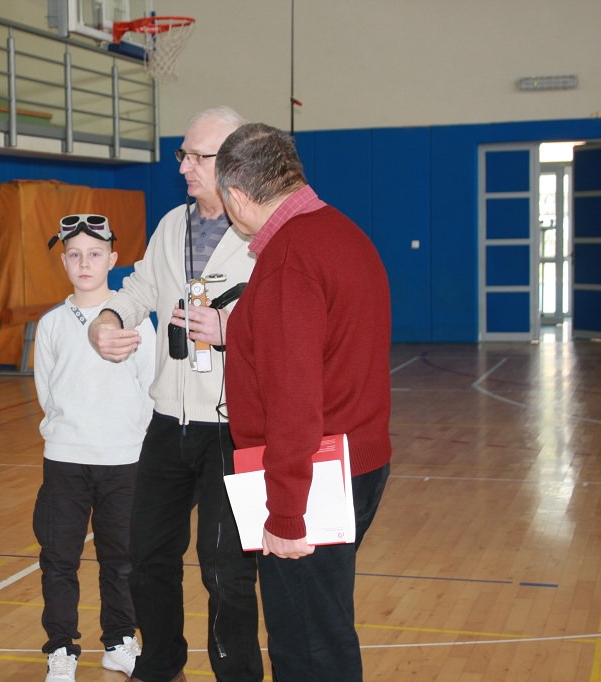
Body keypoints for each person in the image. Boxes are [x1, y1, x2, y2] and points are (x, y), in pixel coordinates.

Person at [87, 106, 262, 682]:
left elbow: (288, 323)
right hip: (169, 420)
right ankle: (160, 665)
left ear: (233, 160)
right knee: (147, 553)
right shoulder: (170, 225)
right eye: (181, 155)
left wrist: (233, 331)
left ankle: (237, 673)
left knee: (224, 567)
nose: (183, 166)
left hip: (234, 425)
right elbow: (138, 289)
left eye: (196, 157)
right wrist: (107, 319)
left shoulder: (261, 234)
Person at [216, 122, 392, 681]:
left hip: (312, 477)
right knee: (325, 628)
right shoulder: (340, 232)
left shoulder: (290, 259)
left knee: (307, 646)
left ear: (237, 196)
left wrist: (286, 513)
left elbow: (293, 398)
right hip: (350, 462)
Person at [34, 214, 156, 682]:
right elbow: (47, 391)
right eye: (75, 255)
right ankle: (61, 648)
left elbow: (150, 386)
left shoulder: (137, 321)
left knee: (121, 559)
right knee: (59, 559)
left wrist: (129, 436)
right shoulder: (51, 325)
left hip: (123, 461)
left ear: (112, 259)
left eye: (94, 254)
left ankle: (119, 641)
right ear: (64, 262)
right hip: (65, 461)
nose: (84, 263)